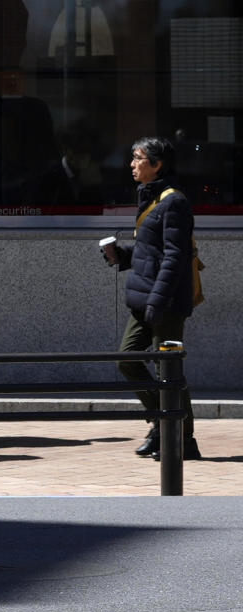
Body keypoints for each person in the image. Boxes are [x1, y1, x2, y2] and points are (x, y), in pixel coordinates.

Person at [103, 137, 201, 460]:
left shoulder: (174, 202)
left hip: (165, 302)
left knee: (168, 370)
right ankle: (162, 422)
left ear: (157, 164)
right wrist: (122, 255)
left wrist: (158, 301)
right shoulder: (151, 198)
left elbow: (175, 257)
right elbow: (152, 252)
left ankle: (183, 439)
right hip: (145, 299)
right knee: (126, 359)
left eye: (138, 158)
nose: (132, 164)